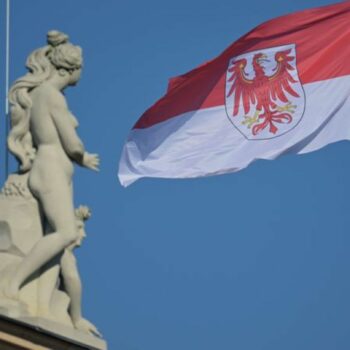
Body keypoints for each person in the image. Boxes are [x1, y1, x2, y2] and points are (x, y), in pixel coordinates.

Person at [5, 30, 99, 301]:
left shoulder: (39, 94)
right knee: (66, 232)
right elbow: (72, 145)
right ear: (72, 68)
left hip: (53, 170)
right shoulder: (52, 96)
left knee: (60, 240)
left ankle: (42, 304)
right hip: (51, 170)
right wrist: (84, 157)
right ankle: (13, 283)